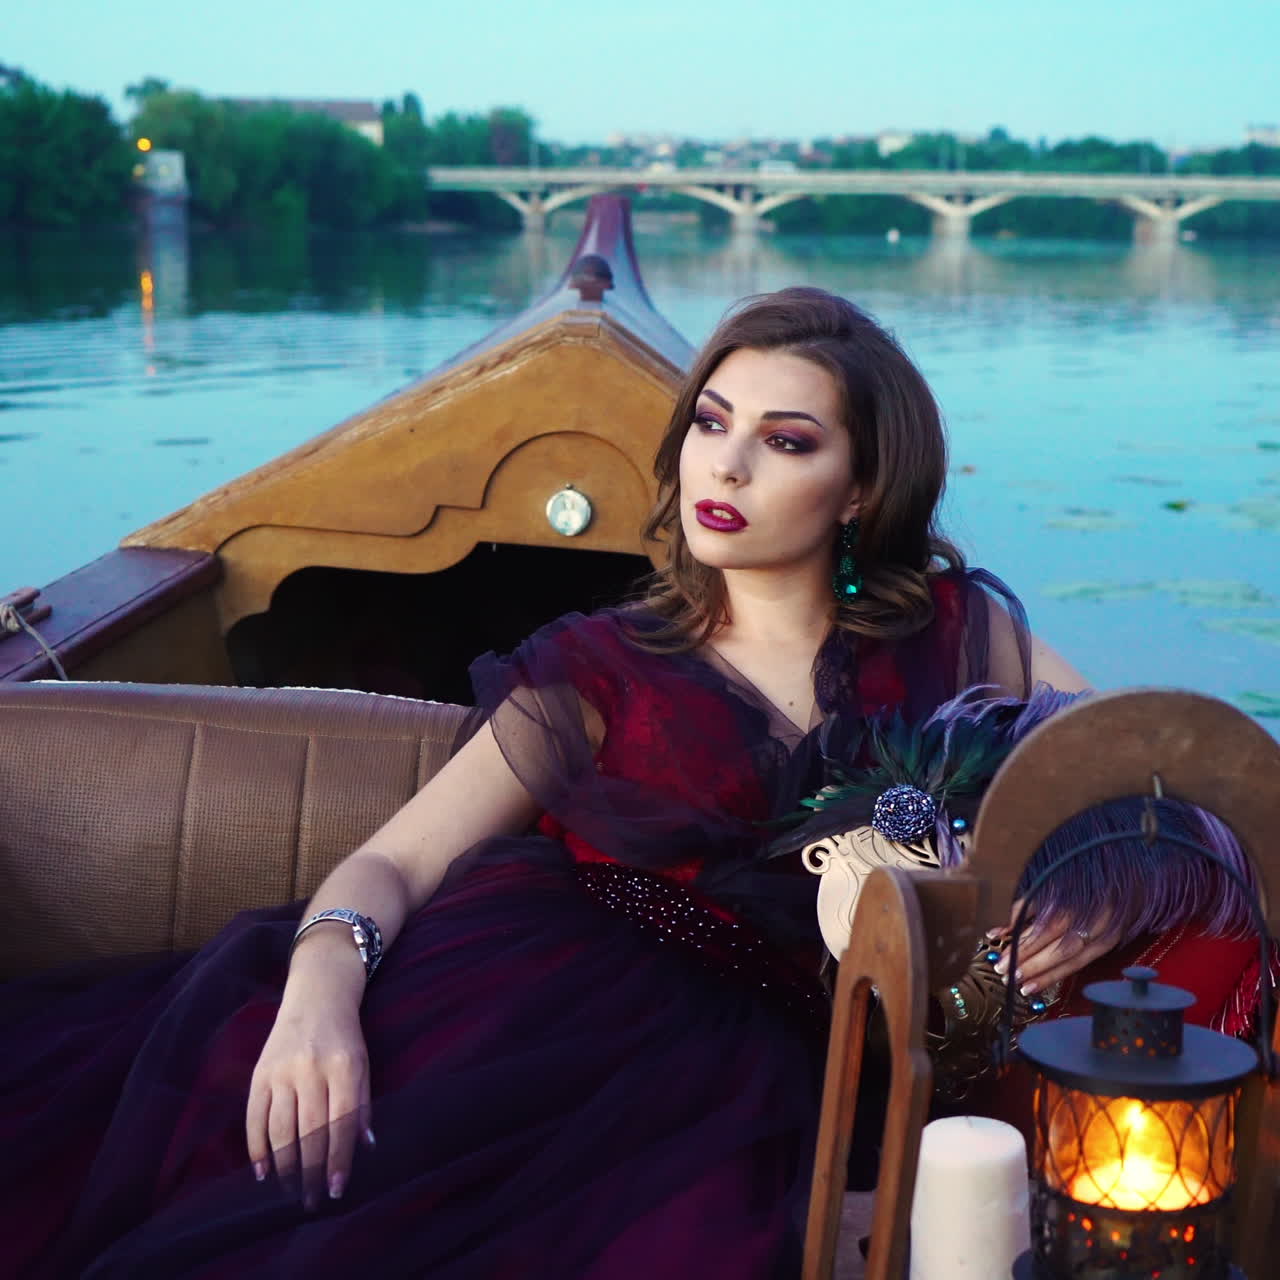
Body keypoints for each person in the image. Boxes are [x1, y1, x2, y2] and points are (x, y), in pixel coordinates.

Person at [0, 288, 1259, 1279]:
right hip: (562, 1012)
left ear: (858, 487)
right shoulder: (599, 667)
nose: (727, 468)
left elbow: (1142, 758)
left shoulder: (951, 629)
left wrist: (1095, 860)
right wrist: (319, 982)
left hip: (834, 1041)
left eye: (784, 441)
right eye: (710, 425)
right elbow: (395, 861)